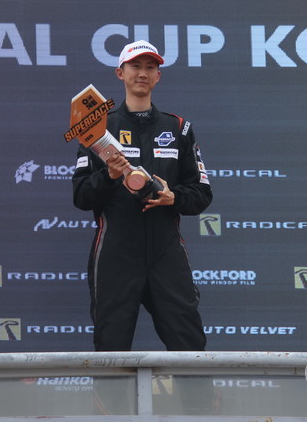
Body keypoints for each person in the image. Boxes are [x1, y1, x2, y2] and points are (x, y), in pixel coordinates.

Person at [72, 40, 212, 352]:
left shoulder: (179, 128)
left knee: (189, 344)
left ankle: (193, 390)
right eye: (135, 66)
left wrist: (173, 197)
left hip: (166, 251)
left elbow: (202, 194)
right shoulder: (98, 129)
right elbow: (81, 196)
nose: (142, 73)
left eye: (150, 67)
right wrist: (109, 175)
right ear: (120, 73)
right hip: (116, 252)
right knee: (111, 347)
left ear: (158, 76)